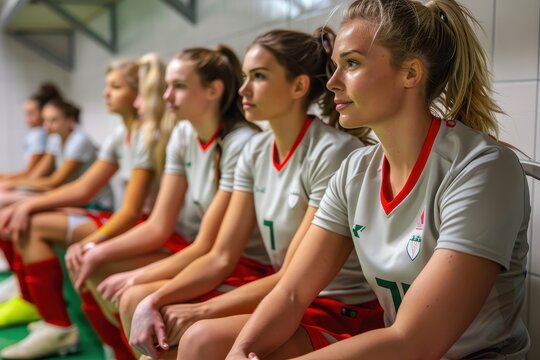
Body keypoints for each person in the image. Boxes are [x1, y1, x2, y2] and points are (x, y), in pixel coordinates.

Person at [186, 1, 530, 359]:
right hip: (398, 345)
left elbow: (415, 341)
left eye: (351, 64)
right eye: (335, 66)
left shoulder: (482, 168)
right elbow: (291, 292)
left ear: (410, 73)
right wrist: (242, 350)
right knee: (216, 344)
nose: (333, 82)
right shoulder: (355, 170)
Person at [125, 28, 381, 360]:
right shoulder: (256, 149)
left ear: (298, 86)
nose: (243, 89)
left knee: (199, 338)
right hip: (283, 290)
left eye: (258, 77)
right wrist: (154, 299)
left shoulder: (331, 152)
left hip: (338, 306)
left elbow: (291, 279)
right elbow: (220, 255)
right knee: (151, 319)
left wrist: (200, 312)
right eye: (245, 76)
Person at [68, 44, 270, 360]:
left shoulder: (242, 143)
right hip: (206, 253)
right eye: (165, 87)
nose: (166, 97)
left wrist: (137, 278)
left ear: (213, 90)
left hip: (250, 266)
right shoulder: (183, 134)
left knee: (136, 295)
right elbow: (159, 225)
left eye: (177, 86)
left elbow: (214, 251)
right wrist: (97, 249)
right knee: (101, 268)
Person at [0, 54, 162, 360]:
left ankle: (61, 325)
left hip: (132, 223)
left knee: (80, 254)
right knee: (28, 219)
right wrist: (28, 205)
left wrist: (91, 243)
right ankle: (45, 312)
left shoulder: (145, 135)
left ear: (138, 94)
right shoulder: (120, 134)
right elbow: (79, 187)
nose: (106, 93)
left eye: (115, 86)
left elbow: (126, 210)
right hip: (118, 217)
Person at [0, 99, 100, 207]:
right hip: (70, 197)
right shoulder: (55, 139)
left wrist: (13, 183)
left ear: (70, 121)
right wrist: (9, 182)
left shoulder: (79, 140)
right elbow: (36, 174)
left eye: (53, 120)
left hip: (92, 203)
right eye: (45, 120)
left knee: (10, 204)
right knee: (6, 197)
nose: (47, 125)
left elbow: (54, 182)